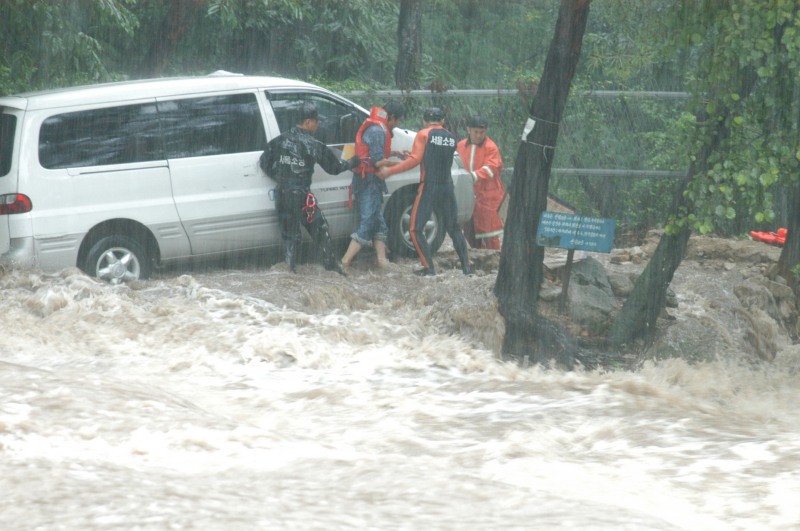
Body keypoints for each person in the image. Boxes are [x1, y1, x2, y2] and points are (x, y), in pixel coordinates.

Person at [259, 102, 359, 274]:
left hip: (282, 194)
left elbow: (264, 162)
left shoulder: (279, 140)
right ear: (307, 122)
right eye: (315, 121)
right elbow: (334, 168)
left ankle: (290, 272)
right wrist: (351, 163)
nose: (317, 124)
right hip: (303, 197)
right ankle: (333, 269)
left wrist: (281, 177)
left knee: (290, 238)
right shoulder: (313, 144)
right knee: (321, 230)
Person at [378, 107, 472, 277]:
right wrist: (414, 156)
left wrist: (389, 171)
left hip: (429, 186)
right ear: (442, 121)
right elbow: (434, 157)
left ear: (424, 121)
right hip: (447, 187)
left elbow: (415, 161)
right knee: (454, 228)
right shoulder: (451, 138)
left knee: (415, 229)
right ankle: (466, 268)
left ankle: (429, 268)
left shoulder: (423, 134)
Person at [341, 101, 406, 269]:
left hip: (367, 180)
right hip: (368, 181)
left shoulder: (375, 127)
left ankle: (382, 262)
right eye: (397, 121)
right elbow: (377, 162)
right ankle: (345, 261)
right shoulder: (378, 130)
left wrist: (394, 153)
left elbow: (372, 153)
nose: (396, 125)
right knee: (369, 222)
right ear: (391, 117)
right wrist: (402, 164)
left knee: (379, 223)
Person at [456, 115, 505, 250]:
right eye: (476, 132)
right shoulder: (460, 146)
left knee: (490, 233)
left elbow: (491, 168)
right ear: (468, 130)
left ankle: (494, 259)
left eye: (481, 132)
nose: (478, 135)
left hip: (488, 195)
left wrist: (473, 176)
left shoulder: (491, 147)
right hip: (469, 194)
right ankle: (479, 258)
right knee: (470, 232)